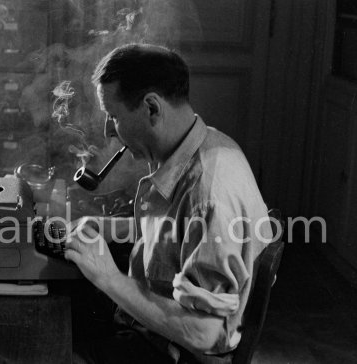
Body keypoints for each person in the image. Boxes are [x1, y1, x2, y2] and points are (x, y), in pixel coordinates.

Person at [65, 43, 273, 363]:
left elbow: (205, 334)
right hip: (153, 332)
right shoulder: (205, 142)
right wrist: (107, 228)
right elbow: (179, 232)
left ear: (151, 108)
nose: (109, 130)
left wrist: (108, 277)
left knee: (48, 338)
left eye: (113, 115)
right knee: (66, 304)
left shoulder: (208, 194)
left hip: (174, 353)